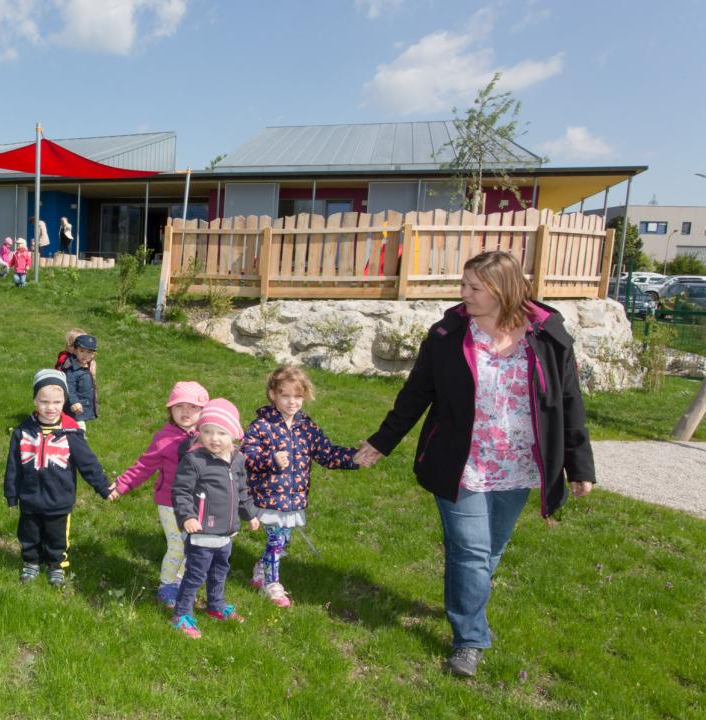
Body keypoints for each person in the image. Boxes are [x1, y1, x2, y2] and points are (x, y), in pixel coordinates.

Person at [354, 250, 596, 678]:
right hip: (461, 462)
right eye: (463, 285)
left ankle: (465, 603)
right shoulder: (448, 335)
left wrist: (580, 467)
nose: (462, 294)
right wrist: (381, 442)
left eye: (473, 287)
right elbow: (416, 395)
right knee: (470, 551)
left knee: (490, 550)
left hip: (519, 465)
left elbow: (570, 402)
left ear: (502, 290)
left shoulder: (546, 334)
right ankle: (469, 639)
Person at [240, 366, 359, 608]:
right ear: (273, 394)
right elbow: (246, 456)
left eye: (298, 396)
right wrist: (270, 459)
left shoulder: (307, 427)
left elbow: (327, 453)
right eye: (285, 395)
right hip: (269, 497)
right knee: (276, 541)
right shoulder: (261, 426)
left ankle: (261, 569)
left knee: (283, 543)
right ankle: (272, 585)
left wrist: (355, 458)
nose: (292, 402)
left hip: (293, 499)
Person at [4, 369, 115, 587]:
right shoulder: (23, 431)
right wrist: (11, 493)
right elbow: (13, 465)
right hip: (30, 499)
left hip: (59, 500)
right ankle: (31, 562)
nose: (50, 407)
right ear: (35, 400)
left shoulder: (71, 433)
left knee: (57, 537)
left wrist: (103, 486)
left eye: (57, 402)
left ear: (64, 401)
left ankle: (56, 565)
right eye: (44, 401)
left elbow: (88, 464)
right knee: (29, 534)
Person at [110, 381, 210, 607]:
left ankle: (182, 580)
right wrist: (121, 485)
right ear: (170, 410)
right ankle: (167, 585)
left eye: (192, 407)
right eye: (179, 406)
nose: (185, 412)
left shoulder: (208, 436)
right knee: (177, 546)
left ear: (204, 410)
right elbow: (144, 466)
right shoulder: (164, 438)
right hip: (170, 503)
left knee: (194, 545)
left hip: (199, 504)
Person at [170, 398, 260, 638]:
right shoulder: (195, 459)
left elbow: (241, 490)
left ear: (234, 435)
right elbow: (180, 491)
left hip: (226, 532)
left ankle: (215, 605)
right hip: (202, 532)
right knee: (195, 573)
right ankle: (182, 613)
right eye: (207, 431)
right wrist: (187, 516)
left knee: (220, 570)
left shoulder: (237, 459)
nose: (214, 438)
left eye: (221, 433)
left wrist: (249, 514)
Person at [62, 334, 98, 430]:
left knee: (74, 427)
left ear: (93, 354)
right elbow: (69, 388)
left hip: (85, 406)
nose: (85, 355)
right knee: (80, 429)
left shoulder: (89, 366)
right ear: (74, 350)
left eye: (89, 352)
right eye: (81, 351)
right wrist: (74, 402)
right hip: (75, 407)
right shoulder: (72, 370)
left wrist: (93, 374)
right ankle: (79, 442)